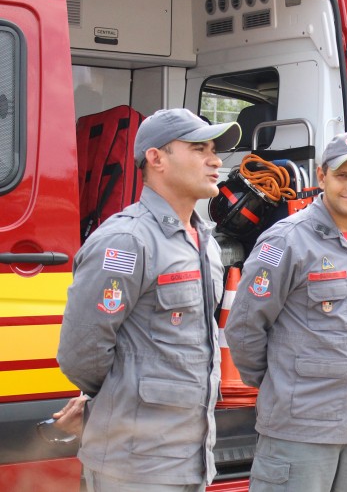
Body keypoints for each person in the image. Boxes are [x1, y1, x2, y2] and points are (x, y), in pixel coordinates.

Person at [57, 108, 241, 491]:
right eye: (199, 149)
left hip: (190, 458)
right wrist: (118, 394)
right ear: (156, 158)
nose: (215, 160)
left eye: (214, 150)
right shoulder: (126, 241)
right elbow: (81, 353)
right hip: (135, 464)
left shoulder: (204, 241)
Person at [225, 132, 347, 492]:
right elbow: (244, 328)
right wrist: (281, 384)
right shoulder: (286, 240)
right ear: (322, 176)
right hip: (300, 425)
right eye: (343, 175)